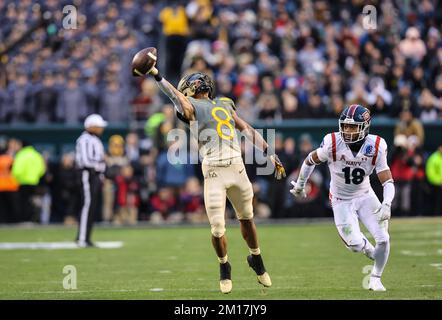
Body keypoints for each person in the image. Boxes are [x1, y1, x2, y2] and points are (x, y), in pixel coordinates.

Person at [144, 60, 286, 294]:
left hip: (237, 168)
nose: (183, 93)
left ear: (196, 86)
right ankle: (224, 266)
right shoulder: (190, 106)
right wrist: (156, 75)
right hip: (213, 171)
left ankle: (256, 259)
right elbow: (174, 97)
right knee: (218, 228)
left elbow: (247, 129)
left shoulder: (225, 104)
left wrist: (270, 153)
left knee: (247, 217)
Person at [290, 104, 394, 291]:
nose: (347, 130)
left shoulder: (377, 145)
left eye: (352, 126)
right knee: (354, 244)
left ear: (365, 126)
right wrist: (300, 184)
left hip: (365, 195)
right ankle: (368, 249)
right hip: (340, 199)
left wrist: (387, 203)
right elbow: (309, 160)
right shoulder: (332, 142)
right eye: (345, 126)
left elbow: (387, 180)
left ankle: (376, 278)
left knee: (384, 238)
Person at [75, 114, 107, 247]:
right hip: (88, 175)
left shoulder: (94, 139)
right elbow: (86, 161)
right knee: (87, 205)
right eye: (99, 126)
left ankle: (84, 237)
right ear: (92, 127)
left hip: (94, 176)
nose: (101, 129)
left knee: (91, 206)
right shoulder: (85, 139)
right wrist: (102, 166)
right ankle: (82, 238)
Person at [11, 141, 46, 222]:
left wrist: (16, 178)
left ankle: (25, 219)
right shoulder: (36, 154)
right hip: (34, 181)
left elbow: (16, 170)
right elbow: (42, 170)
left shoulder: (21, 154)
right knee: (34, 201)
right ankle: (34, 219)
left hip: (23, 182)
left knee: (24, 202)